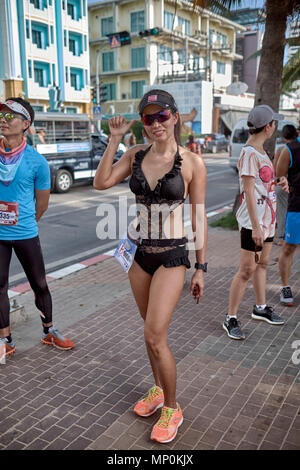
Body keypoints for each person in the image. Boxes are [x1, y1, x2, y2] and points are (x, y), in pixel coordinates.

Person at [93, 89, 207, 444]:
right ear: (142, 123)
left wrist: (201, 266)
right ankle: (157, 390)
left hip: (173, 256)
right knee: (149, 332)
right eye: (149, 118)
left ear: (175, 117)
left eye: (162, 116)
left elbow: (198, 218)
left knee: (156, 336)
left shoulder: (192, 163)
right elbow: (101, 182)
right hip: (140, 255)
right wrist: (113, 140)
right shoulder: (134, 153)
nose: (156, 123)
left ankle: (173, 407)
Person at [0, 97, 74, 358]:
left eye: (10, 116)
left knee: (39, 283)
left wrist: (27, 222)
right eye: (1, 115)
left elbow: (41, 204)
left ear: (25, 124)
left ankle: (48, 331)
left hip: (25, 233)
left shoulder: (36, 162)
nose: (3, 120)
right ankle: (5, 340)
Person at [223, 104, 287, 340]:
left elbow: (262, 185)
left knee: (263, 263)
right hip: (254, 221)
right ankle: (230, 318)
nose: (275, 128)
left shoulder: (261, 151)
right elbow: (248, 192)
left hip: (266, 219)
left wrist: (279, 181)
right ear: (268, 127)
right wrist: (256, 227)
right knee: (246, 270)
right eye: (274, 124)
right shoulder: (250, 153)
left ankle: (260, 308)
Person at [276, 128, 300, 306]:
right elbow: (279, 173)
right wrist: (283, 181)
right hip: (297, 208)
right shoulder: (290, 149)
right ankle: (285, 286)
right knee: (289, 248)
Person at [273, 125, 297, 245]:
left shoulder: (282, 149)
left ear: (283, 136)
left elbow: (276, 171)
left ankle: (282, 236)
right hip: (295, 186)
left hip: (282, 185)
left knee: (282, 210)